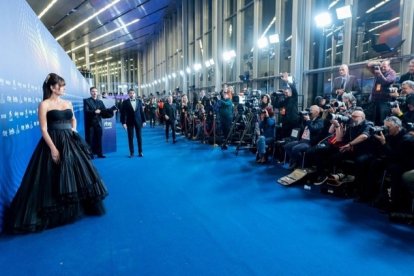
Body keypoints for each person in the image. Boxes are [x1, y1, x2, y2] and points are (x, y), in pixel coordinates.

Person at [4, 73, 108, 234]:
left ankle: (77, 208)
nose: (64, 89)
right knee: (52, 175)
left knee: (76, 173)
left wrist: (72, 130)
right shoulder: (44, 104)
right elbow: (44, 129)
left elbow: (73, 119)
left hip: (70, 140)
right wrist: (53, 148)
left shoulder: (67, 102)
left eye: (64, 86)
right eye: (61, 86)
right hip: (52, 141)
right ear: (52, 87)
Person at [83, 87, 115, 158]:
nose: (94, 93)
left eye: (96, 91)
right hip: (90, 124)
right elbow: (86, 111)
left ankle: (99, 154)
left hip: (98, 123)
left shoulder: (100, 102)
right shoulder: (87, 101)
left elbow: (104, 111)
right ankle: (90, 154)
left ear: (97, 92)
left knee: (99, 139)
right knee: (90, 140)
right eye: (93, 91)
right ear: (90, 92)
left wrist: (111, 111)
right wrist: (94, 111)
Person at [367, 59, 397, 125]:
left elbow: (386, 82)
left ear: (389, 66)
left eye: (384, 66)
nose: (382, 68)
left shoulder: (392, 73)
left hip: (384, 101)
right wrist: (378, 63)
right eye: (382, 66)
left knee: (382, 120)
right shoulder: (379, 70)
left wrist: (380, 74)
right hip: (375, 100)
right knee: (374, 119)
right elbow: (368, 65)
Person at [121, 89, 146, 157]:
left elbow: (142, 112)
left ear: (135, 94)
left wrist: (144, 121)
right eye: (130, 93)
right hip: (129, 121)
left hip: (138, 121)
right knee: (130, 137)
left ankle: (140, 152)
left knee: (139, 137)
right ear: (128, 94)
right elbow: (123, 113)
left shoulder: (139, 101)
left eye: (133, 93)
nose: (132, 94)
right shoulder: (125, 102)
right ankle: (131, 152)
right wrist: (123, 122)